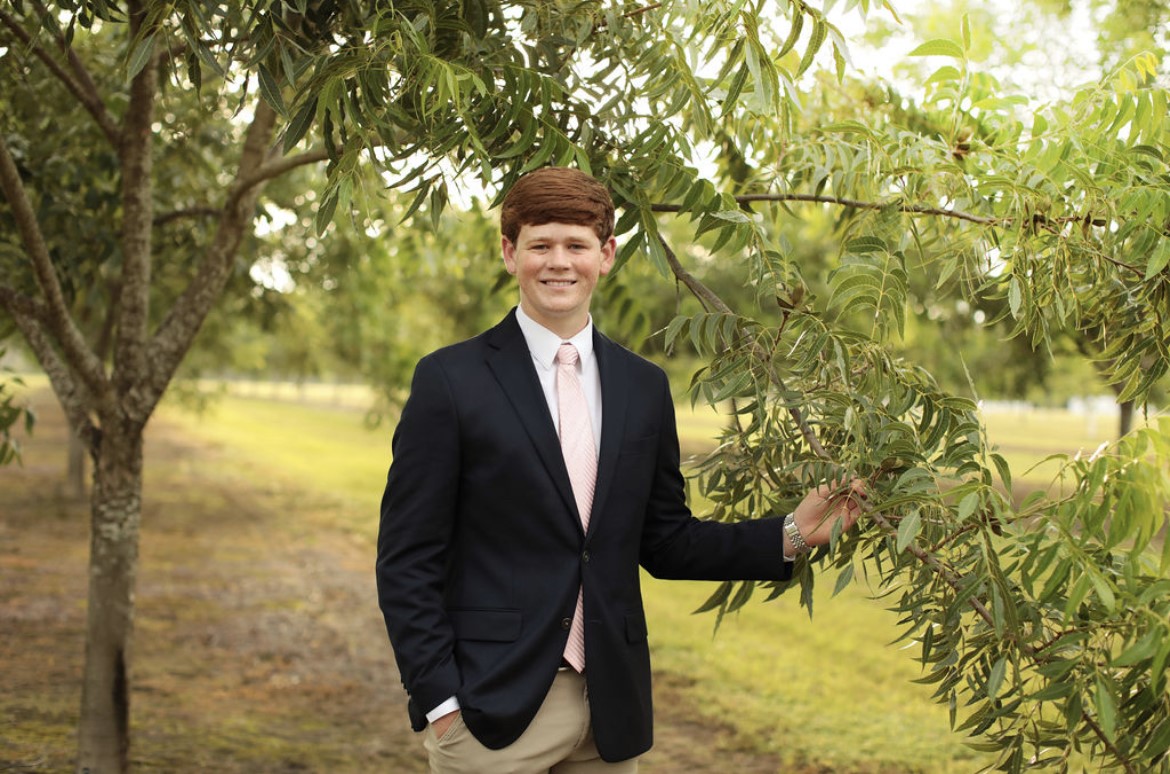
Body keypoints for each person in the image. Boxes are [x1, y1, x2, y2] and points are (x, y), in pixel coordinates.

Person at [376, 167, 865, 773]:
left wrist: (791, 533)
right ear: (510, 252)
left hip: (610, 707)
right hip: (489, 709)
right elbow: (407, 558)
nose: (559, 262)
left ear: (605, 255)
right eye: (541, 244)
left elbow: (664, 539)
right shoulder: (449, 380)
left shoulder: (642, 386)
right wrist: (440, 699)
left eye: (577, 245)